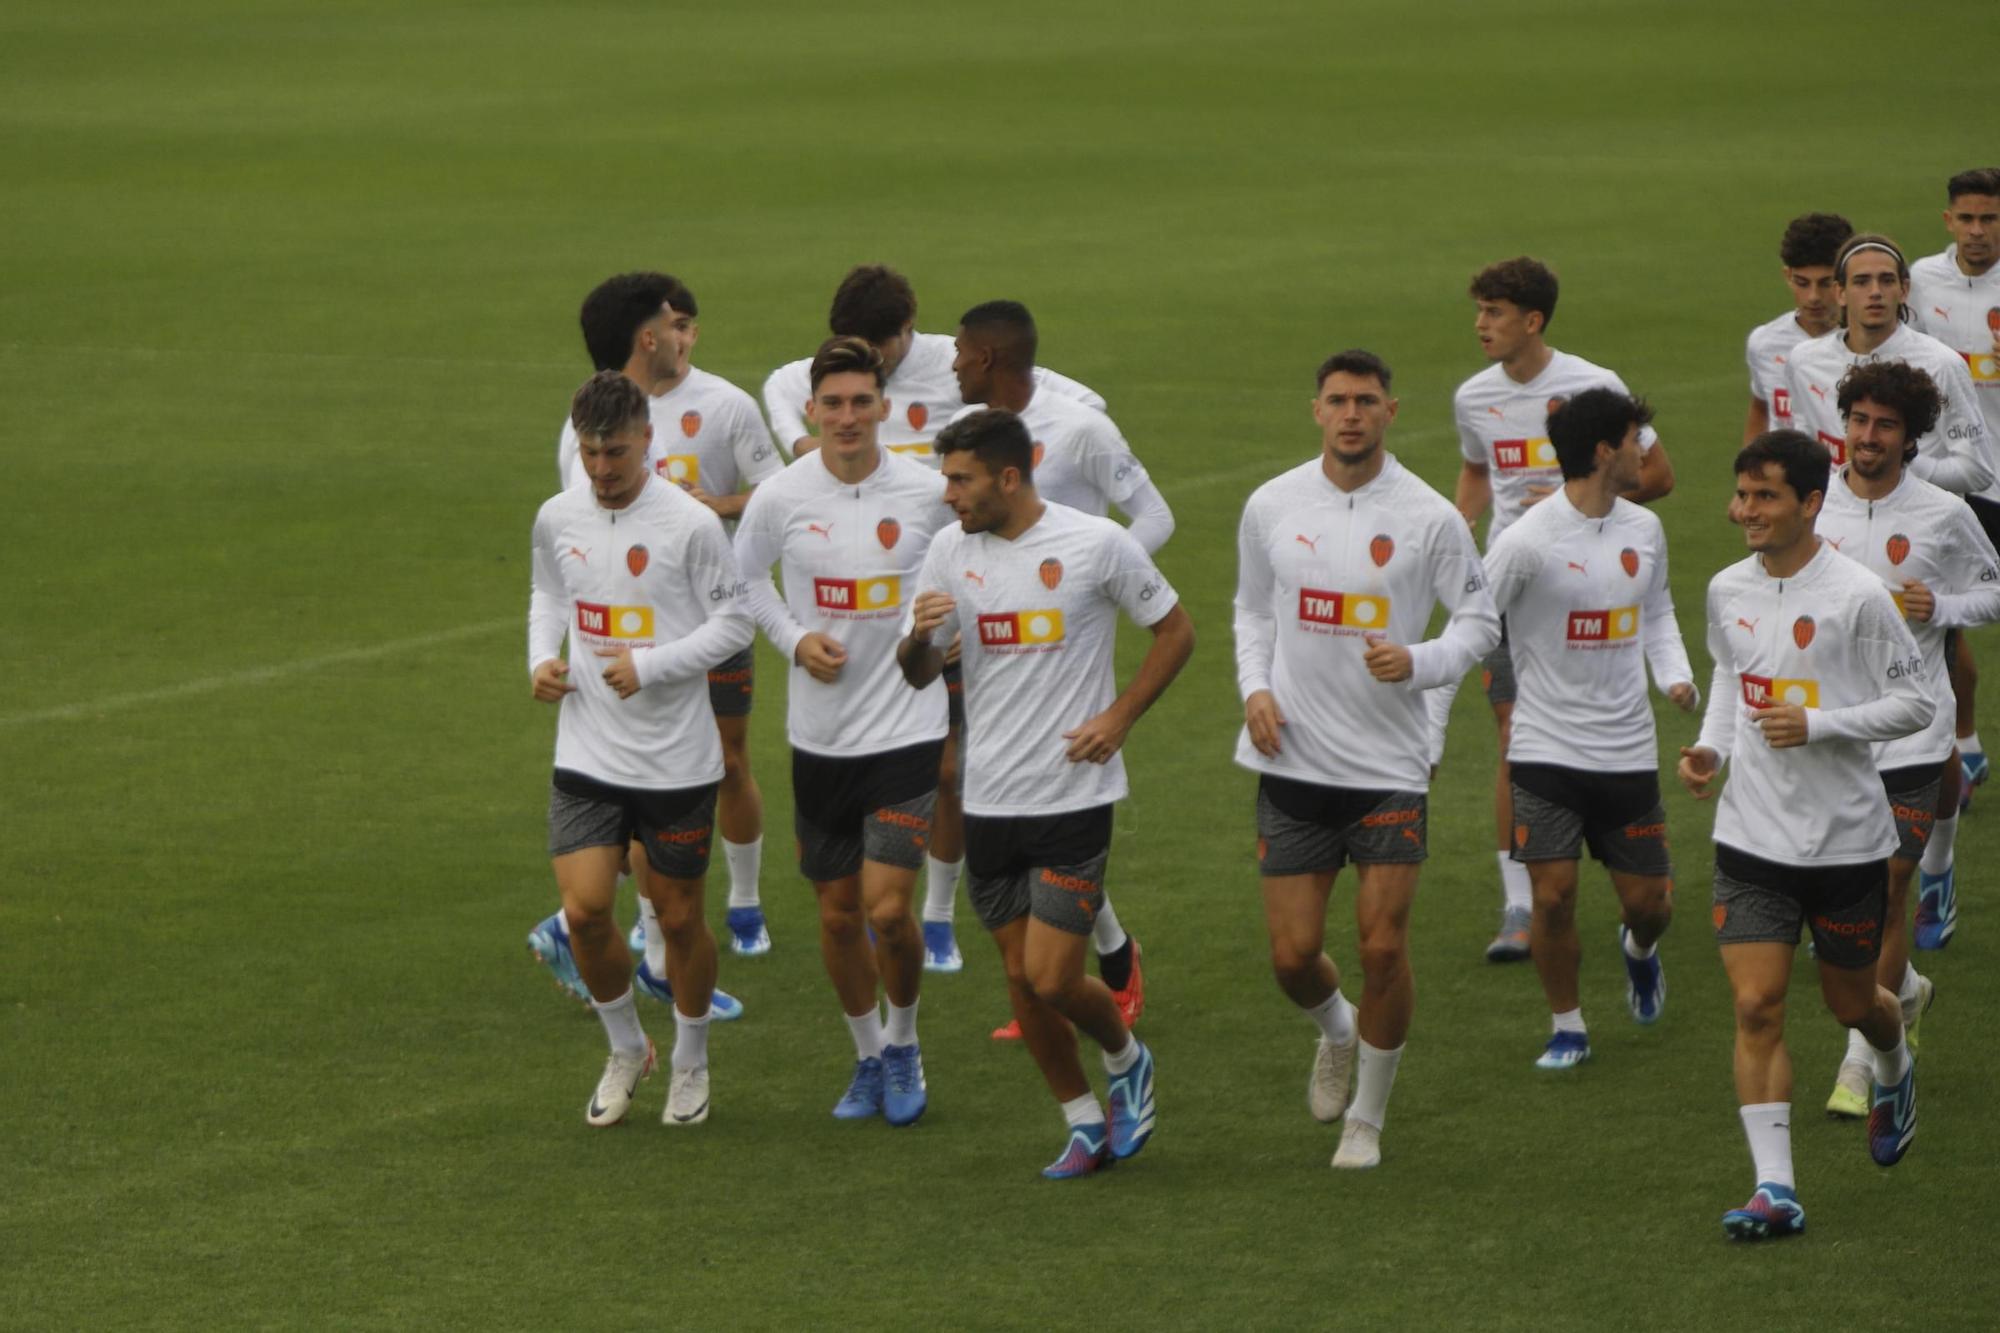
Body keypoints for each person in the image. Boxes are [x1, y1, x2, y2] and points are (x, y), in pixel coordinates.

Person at [764, 269, 1107, 978]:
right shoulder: (836, 383)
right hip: (880, 619)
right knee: (950, 770)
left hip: (952, 595)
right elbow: (780, 383)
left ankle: (943, 917)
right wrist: (802, 445)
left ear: (908, 332)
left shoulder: (950, 360)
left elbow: (1075, 397)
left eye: (880, 356)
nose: (872, 370)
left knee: (953, 770)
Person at [897, 409, 1194, 1178]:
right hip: (987, 798)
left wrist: (1119, 718)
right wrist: (918, 639)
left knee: (1056, 975)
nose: (947, 495)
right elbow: (918, 673)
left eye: (960, 479)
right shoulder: (945, 551)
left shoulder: (1097, 543)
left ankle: (1127, 1056)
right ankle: (1082, 1120)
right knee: (1022, 981)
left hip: (1071, 793)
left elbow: (1177, 631)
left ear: (1009, 475)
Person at [1234, 350, 1500, 1168]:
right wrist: (1254, 689)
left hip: (1388, 764)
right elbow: (1250, 609)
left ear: (1392, 411)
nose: (1352, 413)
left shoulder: (1429, 517)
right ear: (1316, 409)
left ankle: (1369, 1120)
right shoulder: (1272, 504)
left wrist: (1419, 663)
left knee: (1383, 947)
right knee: (1290, 956)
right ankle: (1337, 1030)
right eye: (1338, 400)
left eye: (1367, 401)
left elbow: (1481, 622)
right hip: (1294, 760)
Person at [1679, 430, 1932, 1241]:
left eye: (1764, 497)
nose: (1743, 510)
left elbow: (1916, 705)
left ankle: (1893, 1064)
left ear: (1810, 503)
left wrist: (1818, 723)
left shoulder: (1858, 595)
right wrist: (1713, 748)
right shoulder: (1726, 588)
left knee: (1853, 1003)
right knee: (1756, 1005)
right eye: (1741, 494)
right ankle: (1775, 1187)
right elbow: (1731, 673)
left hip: (1848, 843)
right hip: (1751, 838)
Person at [734, 337, 955, 1125]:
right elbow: (744, 579)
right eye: (834, 403)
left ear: (885, 407)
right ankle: (866, 1054)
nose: (849, 416)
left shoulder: (930, 495)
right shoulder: (781, 497)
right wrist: (794, 638)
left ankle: (904, 1041)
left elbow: (964, 575)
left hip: (906, 729)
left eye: (863, 401)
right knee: (836, 915)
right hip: (820, 737)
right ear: (812, 411)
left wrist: (937, 631)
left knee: (889, 910)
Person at [526, 371, 755, 1126]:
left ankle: (690, 1059)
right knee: (586, 910)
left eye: (615, 452)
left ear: (647, 440)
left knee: (680, 918)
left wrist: (650, 664)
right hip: (588, 750)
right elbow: (550, 592)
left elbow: (735, 625)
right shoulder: (559, 515)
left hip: (675, 761)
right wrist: (541, 657)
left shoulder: (689, 524)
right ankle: (628, 1047)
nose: (601, 469)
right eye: (590, 453)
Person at [1440, 257, 1675, 962]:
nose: (1481, 325)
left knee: (1580, 730)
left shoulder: (1592, 386)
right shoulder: (1473, 397)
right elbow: (1480, 469)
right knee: (1516, 732)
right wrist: (1457, 526)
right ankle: (1520, 902)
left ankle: (1625, 875)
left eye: (1495, 312)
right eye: (1479, 311)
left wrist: (1579, 502)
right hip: (1512, 588)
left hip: (1586, 584)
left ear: (1533, 321)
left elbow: (1658, 475)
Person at [948, 299, 1172, 1039]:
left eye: (957, 351)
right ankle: (1085, 963)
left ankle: (1101, 966)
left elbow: (1155, 516)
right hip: (987, 634)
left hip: (1061, 648)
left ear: (984, 358)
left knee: (1055, 802)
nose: (949, 362)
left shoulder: (1080, 427)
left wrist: (1096, 588)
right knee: (984, 785)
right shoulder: (971, 439)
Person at [1482, 388, 1697, 1069]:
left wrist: (1676, 676)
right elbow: (1475, 624)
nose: (1645, 453)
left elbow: (1656, 612)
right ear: (1605, 450)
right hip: (1545, 748)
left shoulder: (1644, 529)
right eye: (1637, 439)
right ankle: (1567, 1025)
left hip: (1627, 748)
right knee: (1552, 894)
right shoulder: (1525, 541)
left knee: (1651, 904)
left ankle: (1638, 952)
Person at [1815, 362, 2000, 1114]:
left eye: (1885, 424)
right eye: (1858, 420)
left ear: (1910, 436)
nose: (1868, 436)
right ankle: (1908, 991)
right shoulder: (1813, 505)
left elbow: (1992, 586)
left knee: (1893, 886)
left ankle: (1862, 1060)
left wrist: (1944, 602)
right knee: (1843, 899)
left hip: (1914, 739)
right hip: (1830, 736)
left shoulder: (1943, 512)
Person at [1911, 168, 2000, 808]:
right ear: (1948, 220)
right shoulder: (1919, 281)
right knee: (1938, 622)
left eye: (1989, 219)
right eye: (1966, 218)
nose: (1976, 231)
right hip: (1948, 479)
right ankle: (1957, 743)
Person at [1744, 213, 1854, 443]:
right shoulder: (1764, 343)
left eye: (1825, 283)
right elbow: (1761, 408)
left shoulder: (1866, 344)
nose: (1813, 297)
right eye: (1802, 283)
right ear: (1787, 276)